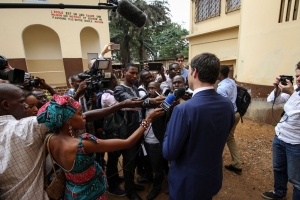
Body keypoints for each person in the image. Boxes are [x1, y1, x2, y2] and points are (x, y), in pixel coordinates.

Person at [0, 83, 152, 199]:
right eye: (80, 114)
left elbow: (62, 112)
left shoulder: (50, 138)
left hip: (71, 192)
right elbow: (127, 143)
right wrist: (147, 120)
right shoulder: (83, 144)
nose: (84, 116)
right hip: (89, 193)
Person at [162, 53, 235, 200]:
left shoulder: (184, 110)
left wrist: (168, 130)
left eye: (188, 71)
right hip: (211, 179)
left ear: (194, 72)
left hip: (187, 185)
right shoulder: (228, 105)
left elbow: (169, 152)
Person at [114, 63, 165, 200]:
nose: (135, 76)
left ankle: (132, 184)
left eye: (137, 73)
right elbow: (132, 102)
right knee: (129, 160)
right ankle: (130, 191)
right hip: (128, 132)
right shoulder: (119, 89)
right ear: (124, 72)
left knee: (136, 160)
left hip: (141, 129)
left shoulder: (136, 88)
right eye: (132, 73)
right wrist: (151, 101)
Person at [262, 62, 300, 200]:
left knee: (297, 180)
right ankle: (279, 192)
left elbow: (294, 111)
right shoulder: (296, 89)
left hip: (296, 143)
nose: (299, 78)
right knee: (278, 168)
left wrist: (291, 93)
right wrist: (277, 89)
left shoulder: (294, 92)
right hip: (281, 136)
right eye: (297, 76)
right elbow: (273, 100)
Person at [217, 65, 242, 174]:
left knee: (220, 137)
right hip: (236, 113)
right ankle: (237, 164)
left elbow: (223, 106)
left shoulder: (221, 88)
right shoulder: (231, 81)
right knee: (229, 137)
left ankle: (215, 163)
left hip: (229, 115)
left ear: (220, 74)